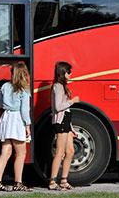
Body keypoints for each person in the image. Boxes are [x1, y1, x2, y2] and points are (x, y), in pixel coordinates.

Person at [0, 62, 32, 192]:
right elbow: (25, 110)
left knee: (5, 152)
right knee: (21, 153)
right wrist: (27, 125)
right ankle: (18, 182)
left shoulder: (5, 86)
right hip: (17, 120)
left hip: (6, 118)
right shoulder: (24, 89)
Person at [48, 61, 79, 191]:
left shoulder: (62, 86)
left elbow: (66, 111)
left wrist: (71, 128)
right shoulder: (57, 86)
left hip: (65, 122)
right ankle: (52, 182)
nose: (70, 74)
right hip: (60, 122)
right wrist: (73, 101)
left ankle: (64, 181)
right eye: (69, 72)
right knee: (60, 152)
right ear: (63, 73)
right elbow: (58, 107)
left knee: (70, 151)